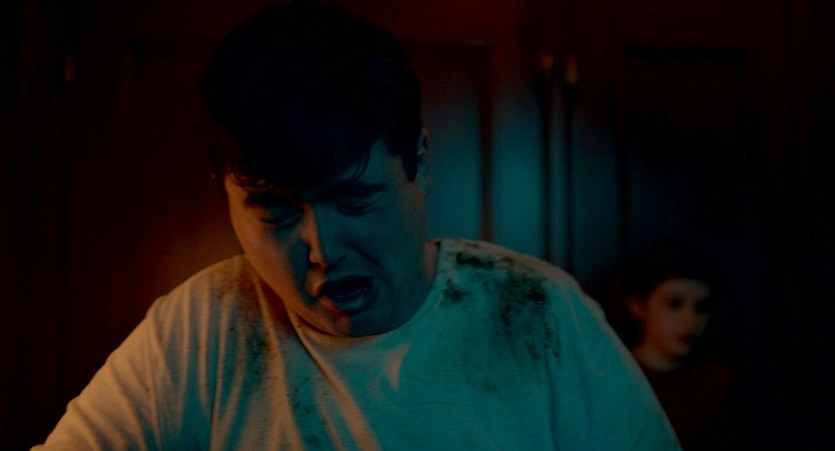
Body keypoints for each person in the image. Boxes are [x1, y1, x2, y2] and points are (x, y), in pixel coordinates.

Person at [34, 2, 680, 449]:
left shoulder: (539, 316)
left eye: (355, 199)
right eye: (276, 212)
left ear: (418, 163)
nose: (324, 249)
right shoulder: (199, 332)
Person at [609, 244, 738, 450]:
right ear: (638, 306)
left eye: (700, 307)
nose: (691, 320)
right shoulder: (613, 377)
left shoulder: (718, 379)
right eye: (674, 304)